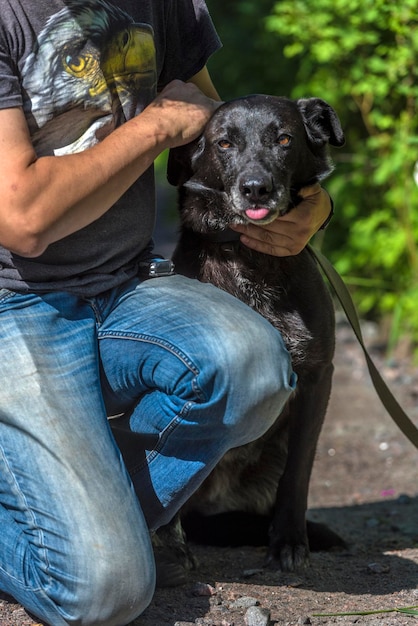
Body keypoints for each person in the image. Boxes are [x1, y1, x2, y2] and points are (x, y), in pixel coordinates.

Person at [0, 1, 333, 624]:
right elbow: (22, 221)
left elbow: (227, 132)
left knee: (255, 363)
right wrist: (153, 128)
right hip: (12, 300)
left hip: (127, 285)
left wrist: (312, 203)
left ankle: (100, 507)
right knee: (104, 593)